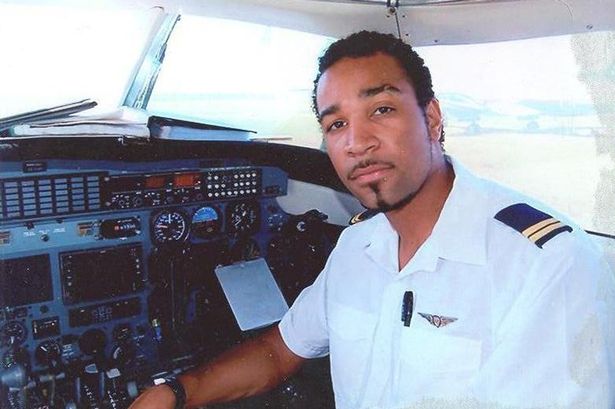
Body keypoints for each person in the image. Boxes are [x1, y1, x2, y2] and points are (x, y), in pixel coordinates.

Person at [129, 31, 615, 409]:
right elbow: (280, 351)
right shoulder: (358, 245)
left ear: (431, 118)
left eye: (381, 109)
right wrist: (179, 392)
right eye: (336, 124)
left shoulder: (545, 263)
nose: (356, 143)